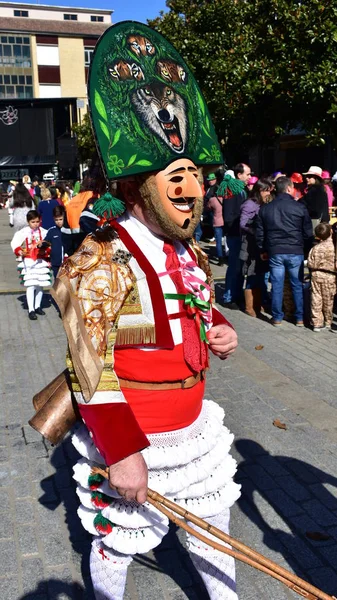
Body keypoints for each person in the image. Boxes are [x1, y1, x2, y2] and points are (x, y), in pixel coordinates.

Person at [35, 21, 240, 600]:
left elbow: (193, 309)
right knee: (119, 542)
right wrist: (123, 456)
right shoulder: (96, 261)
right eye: (175, 180)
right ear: (135, 189)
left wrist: (218, 327)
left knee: (215, 537)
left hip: (192, 430)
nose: (192, 189)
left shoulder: (186, 250)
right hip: (136, 438)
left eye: (195, 178)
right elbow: (87, 367)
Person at [256, 176, 313, 326]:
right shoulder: (300, 207)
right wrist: (307, 249)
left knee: (277, 284)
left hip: (275, 250)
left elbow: (260, 232)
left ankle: (277, 317)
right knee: (297, 285)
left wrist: (263, 249)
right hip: (295, 250)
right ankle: (299, 318)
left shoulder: (266, 208)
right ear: (289, 188)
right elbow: (308, 233)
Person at [218, 163, 251, 308]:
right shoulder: (231, 190)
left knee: (241, 266)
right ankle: (229, 297)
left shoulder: (243, 189)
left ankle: (237, 295)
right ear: (239, 175)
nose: (249, 177)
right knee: (234, 266)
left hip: (242, 234)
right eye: (248, 174)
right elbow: (229, 215)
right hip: (235, 234)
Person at [10, 210, 51, 320]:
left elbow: (49, 245)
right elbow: (15, 243)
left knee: (40, 284)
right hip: (29, 261)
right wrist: (19, 251)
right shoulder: (23, 232)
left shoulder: (44, 232)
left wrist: (46, 250)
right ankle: (31, 309)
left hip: (40, 260)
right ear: (28, 222)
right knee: (31, 284)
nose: (35, 224)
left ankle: (38, 306)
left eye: (37, 221)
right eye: (33, 222)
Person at [240, 178, 272, 316]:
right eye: (267, 191)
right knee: (252, 274)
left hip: (260, 245)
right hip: (250, 245)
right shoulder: (249, 204)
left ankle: (258, 304)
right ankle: (249, 306)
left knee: (260, 274)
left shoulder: (262, 203)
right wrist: (255, 231)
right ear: (260, 190)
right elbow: (243, 223)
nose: (269, 193)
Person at [307, 223, 336, 332]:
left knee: (316, 298)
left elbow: (310, 263)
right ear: (331, 232)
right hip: (329, 276)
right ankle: (328, 321)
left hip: (316, 274)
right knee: (328, 299)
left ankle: (317, 323)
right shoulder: (334, 247)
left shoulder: (315, 248)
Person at [43, 205, 71, 279]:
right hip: (56, 263)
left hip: (68, 262)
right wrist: (41, 245)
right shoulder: (52, 231)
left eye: (60, 219)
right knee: (57, 282)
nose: (58, 222)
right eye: (56, 220)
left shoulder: (70, 229)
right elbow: (46, 241)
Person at [207, 189, 228, 266]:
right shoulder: (226, 198)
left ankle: (220, 259)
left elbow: (208, 207)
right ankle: (227, 255)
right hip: (225, 222)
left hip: (217, 222)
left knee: (218, 242)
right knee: (227, 240)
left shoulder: (212, 200)